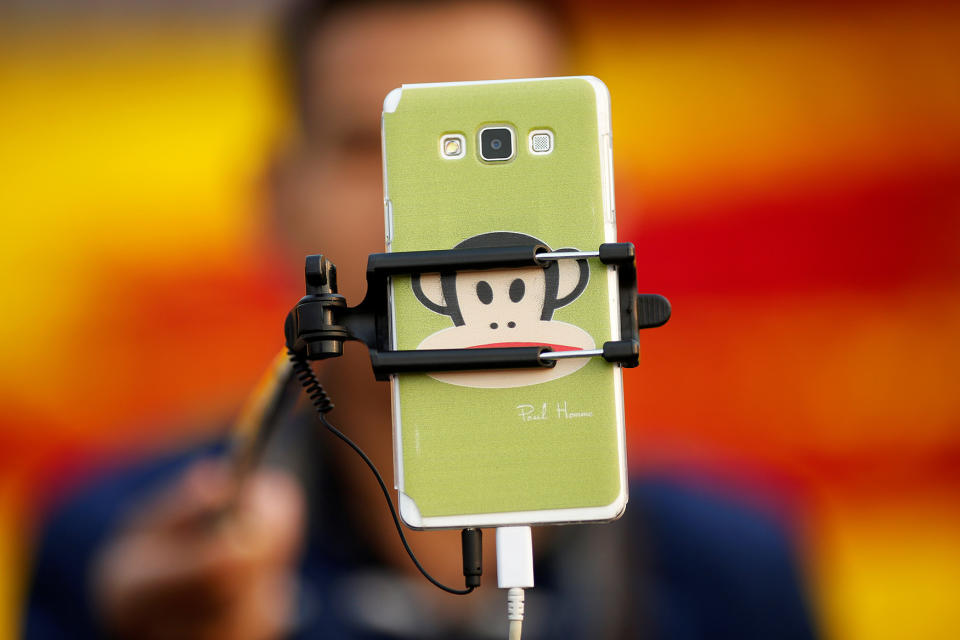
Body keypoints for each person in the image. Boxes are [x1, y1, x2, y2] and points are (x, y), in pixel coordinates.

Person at [25, 1, 820, 638]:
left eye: (491, 141)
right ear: (275, 203)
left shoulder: (738, 569)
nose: (434, 218)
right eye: (375, 145)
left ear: (609, 191)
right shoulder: (114, 553)